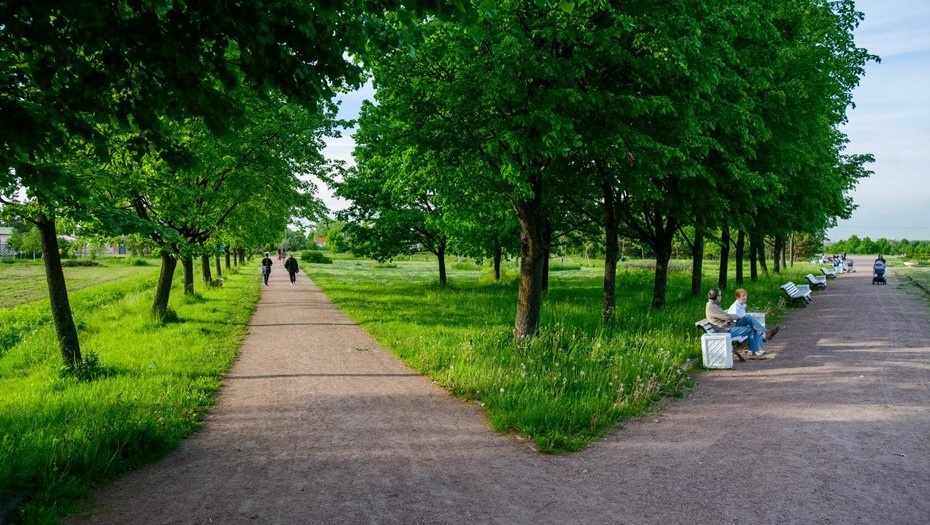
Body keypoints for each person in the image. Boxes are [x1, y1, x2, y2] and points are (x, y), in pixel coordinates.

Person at [706, 287, 779, 356]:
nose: (721, 297)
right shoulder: (712, 307)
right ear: (716, 296)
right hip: (725, 330)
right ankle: (755, 349)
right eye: (720, 295)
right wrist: (736, 316)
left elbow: (725, 317)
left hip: (730, 325)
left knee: (748, 318)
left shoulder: (714, 305)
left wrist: (734, 318)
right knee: (751, 330)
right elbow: (726, 317)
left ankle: (766, 332)